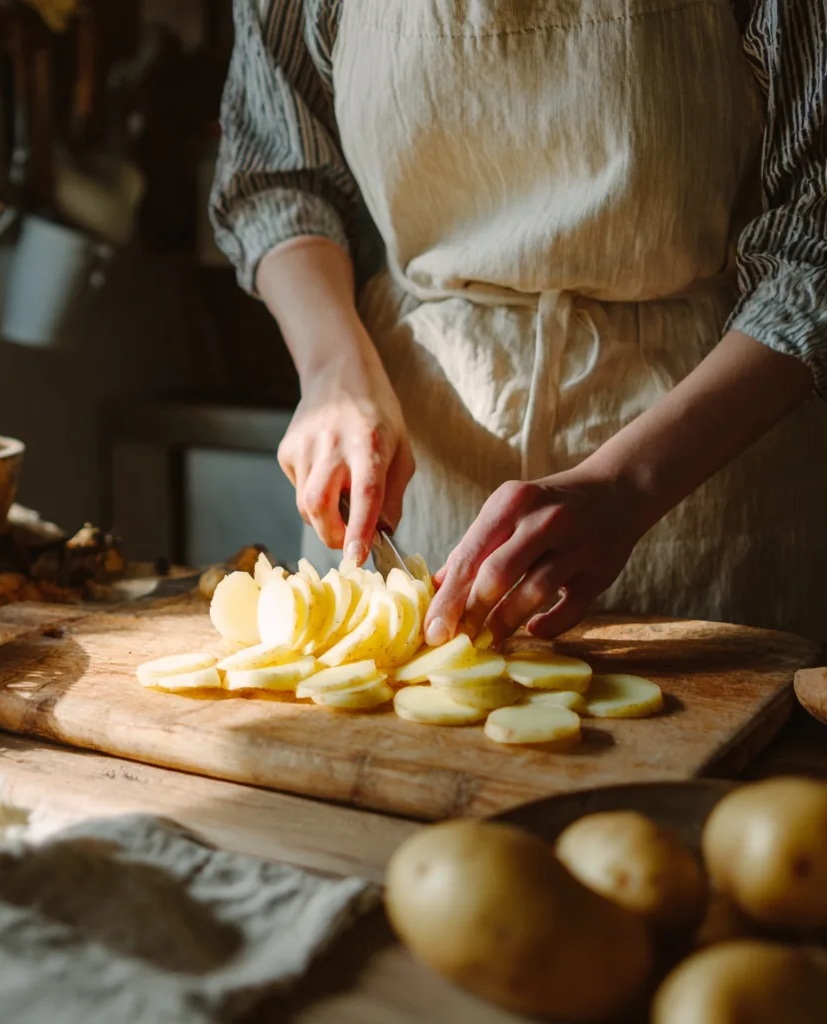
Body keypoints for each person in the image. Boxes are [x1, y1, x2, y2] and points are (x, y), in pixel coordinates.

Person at [210, 0, 827, 645]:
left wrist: (630, 482)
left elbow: (818, 231)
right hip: (421, 474)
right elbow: (278, 174)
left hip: (712, 468)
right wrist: (332, 368)